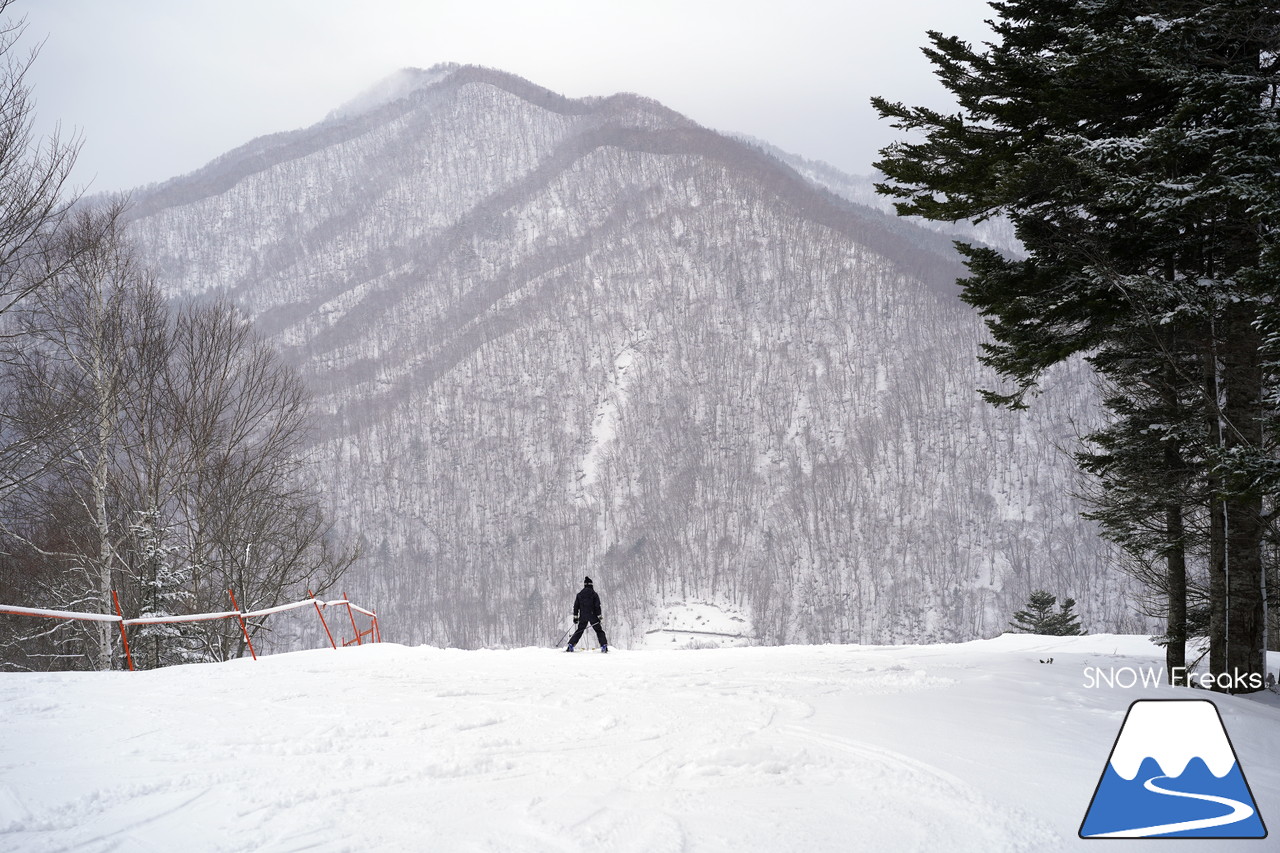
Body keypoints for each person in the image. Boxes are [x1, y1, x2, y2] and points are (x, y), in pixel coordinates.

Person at [567, 576, 608, 653]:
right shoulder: (594, 594)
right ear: (591, 585)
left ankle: (571, 645)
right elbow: (597, 606)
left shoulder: (579, 594)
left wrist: (575, 617)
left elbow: (576, 606)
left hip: (583, 616)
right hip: (593, 616)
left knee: (579, 631)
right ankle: (603, 645)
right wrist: (600, 617)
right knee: (599, 631)